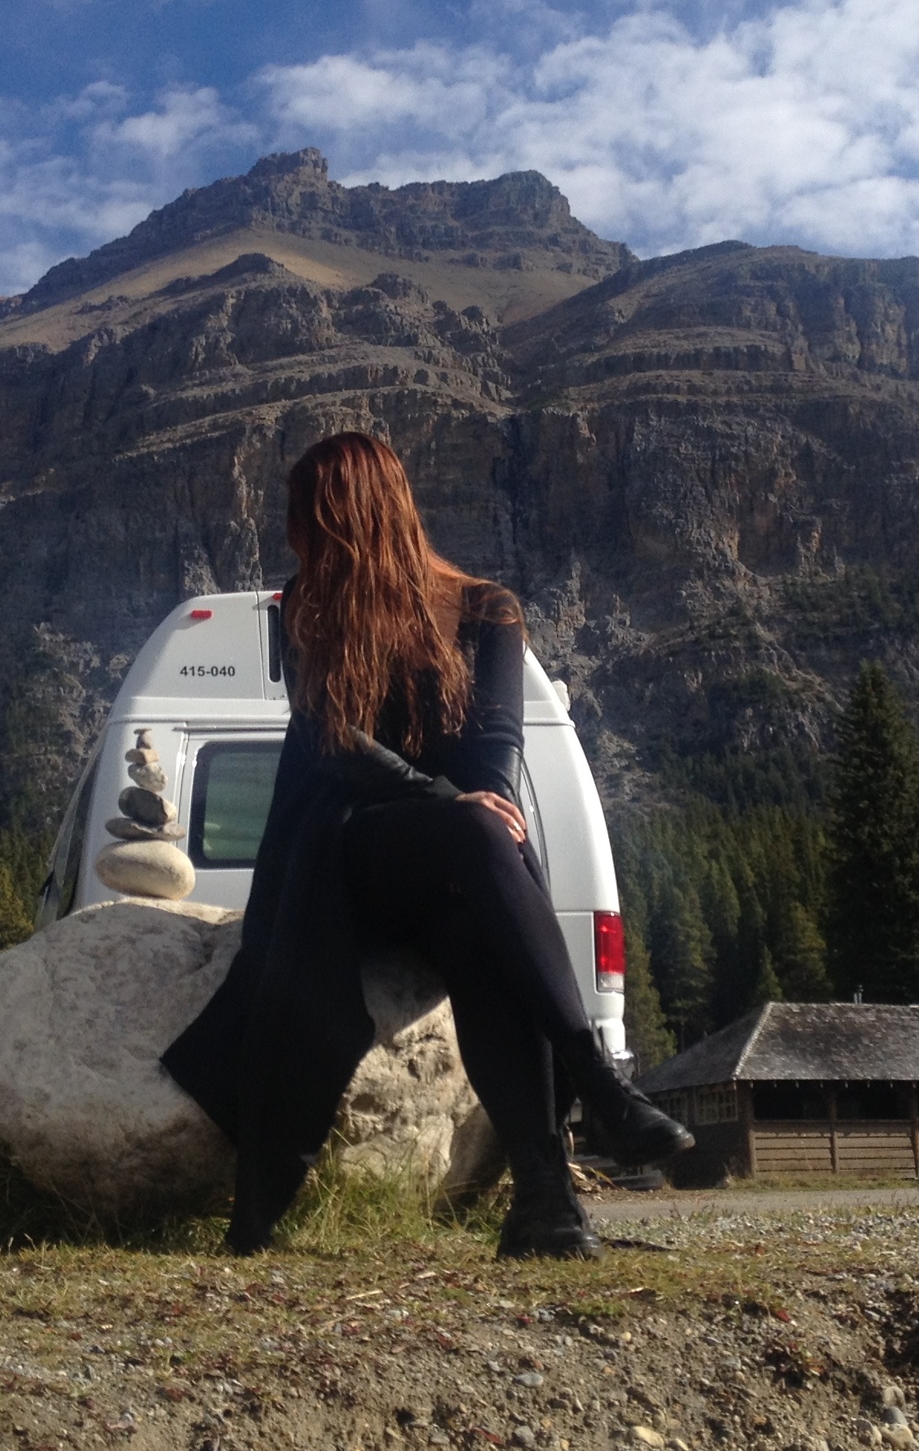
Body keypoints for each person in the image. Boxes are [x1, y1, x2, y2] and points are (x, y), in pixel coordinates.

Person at [162, 431, 691, 1258]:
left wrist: (467, 807)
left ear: (344, 517)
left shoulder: (487, 610)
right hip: (344, 850)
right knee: (480, 833)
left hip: (452, 866)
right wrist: (448, 799)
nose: (293, 536)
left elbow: (498, 755)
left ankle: (545, 1201)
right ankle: (597, 1080)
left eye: (304, 516)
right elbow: (335, 743)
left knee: (476, 929)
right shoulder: (304, 607)